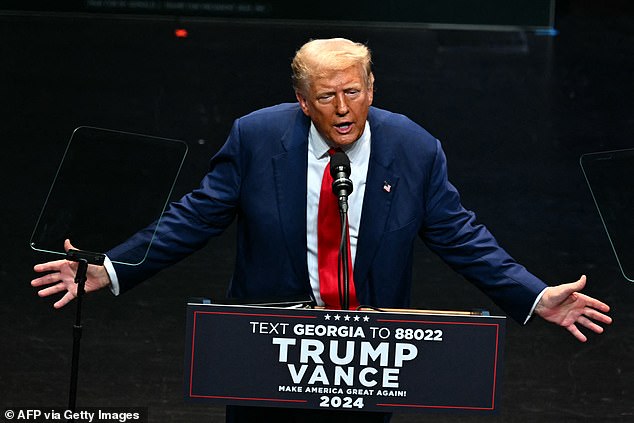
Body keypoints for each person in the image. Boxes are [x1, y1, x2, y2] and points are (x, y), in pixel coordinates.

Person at [31, 38, 612, 422]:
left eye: (353, 91)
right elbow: (194, 216)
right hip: (269, 347)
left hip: (366, 355)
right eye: (326, 95)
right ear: (303, 102)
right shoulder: (258, 139)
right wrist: (108, 268)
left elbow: (461, 236)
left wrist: (535, 295)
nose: (342, 107)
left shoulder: (412, 148)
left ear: (371, 89)